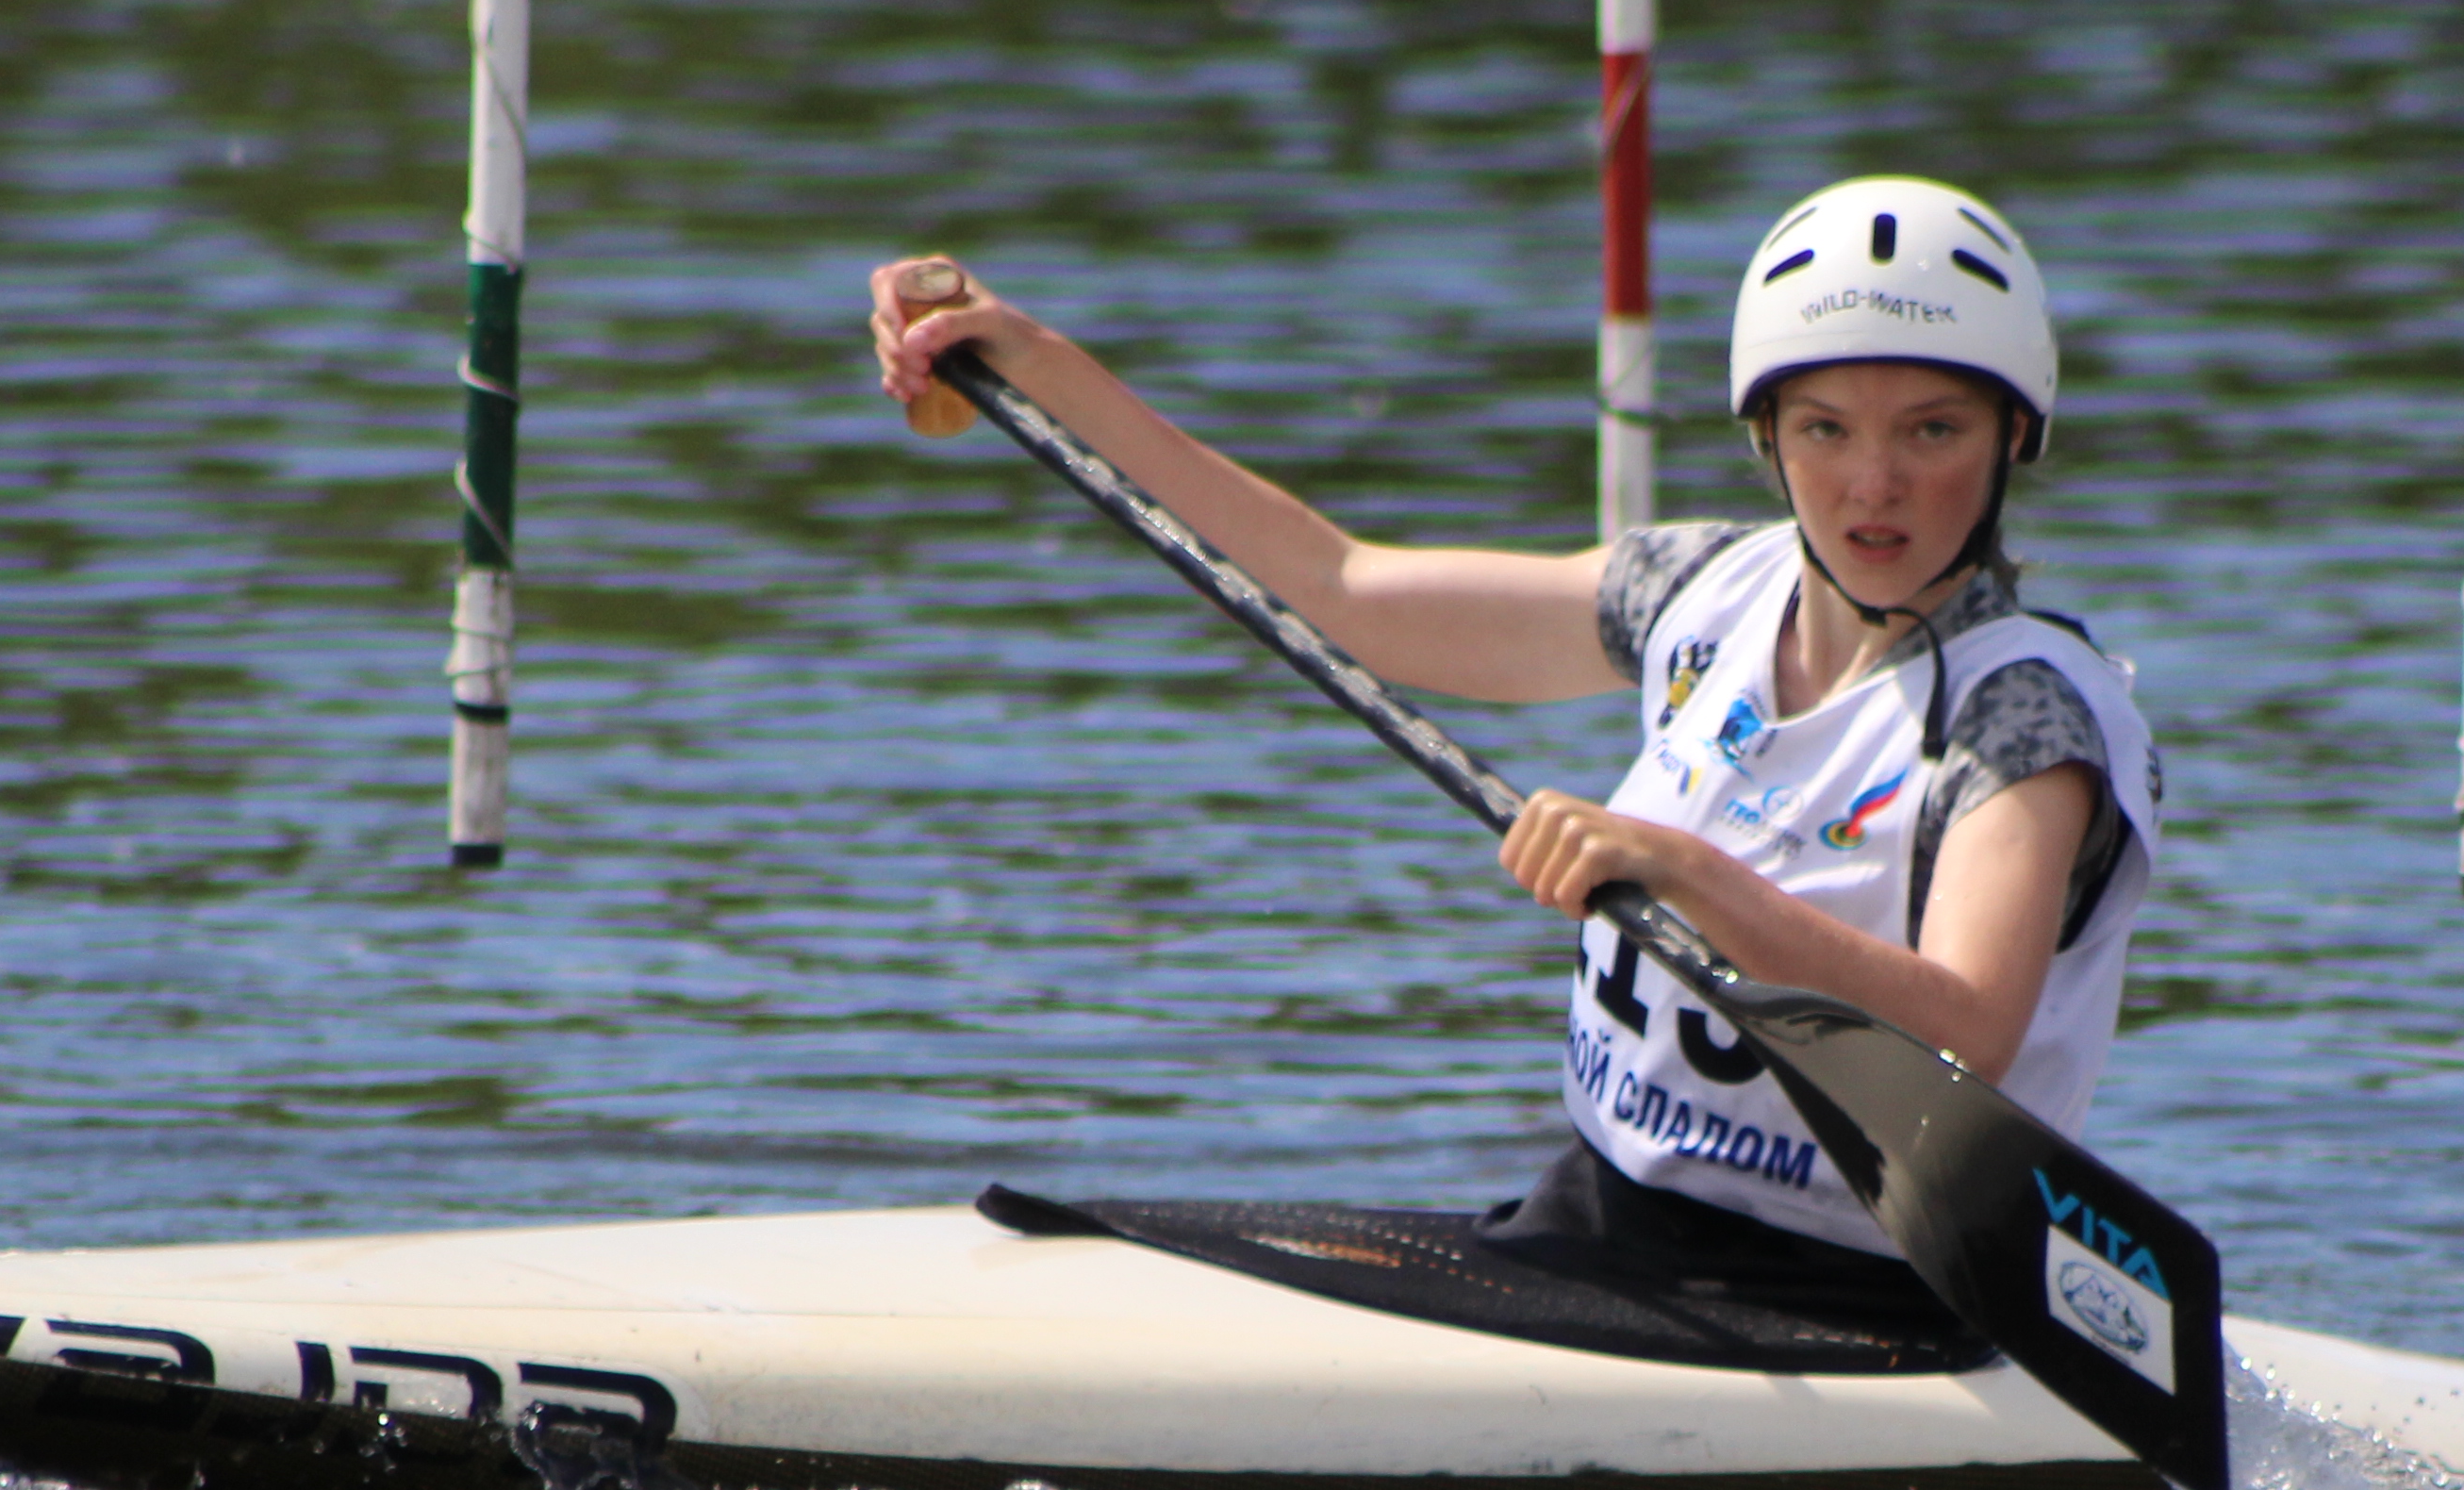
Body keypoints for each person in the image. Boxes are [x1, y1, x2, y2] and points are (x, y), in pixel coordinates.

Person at [868, 175, 2163, 1320]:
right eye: (1826, 427)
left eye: (1932, 430)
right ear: (1769, 436)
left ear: (2011, 441)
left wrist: (1691, 875)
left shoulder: (2023, 717)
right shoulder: (1700, 592)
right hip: (1602, 1230)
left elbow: (1968, 1030)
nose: (1874, 483)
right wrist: (1036, 365)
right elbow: (1348, 587)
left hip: (1853, 1299)